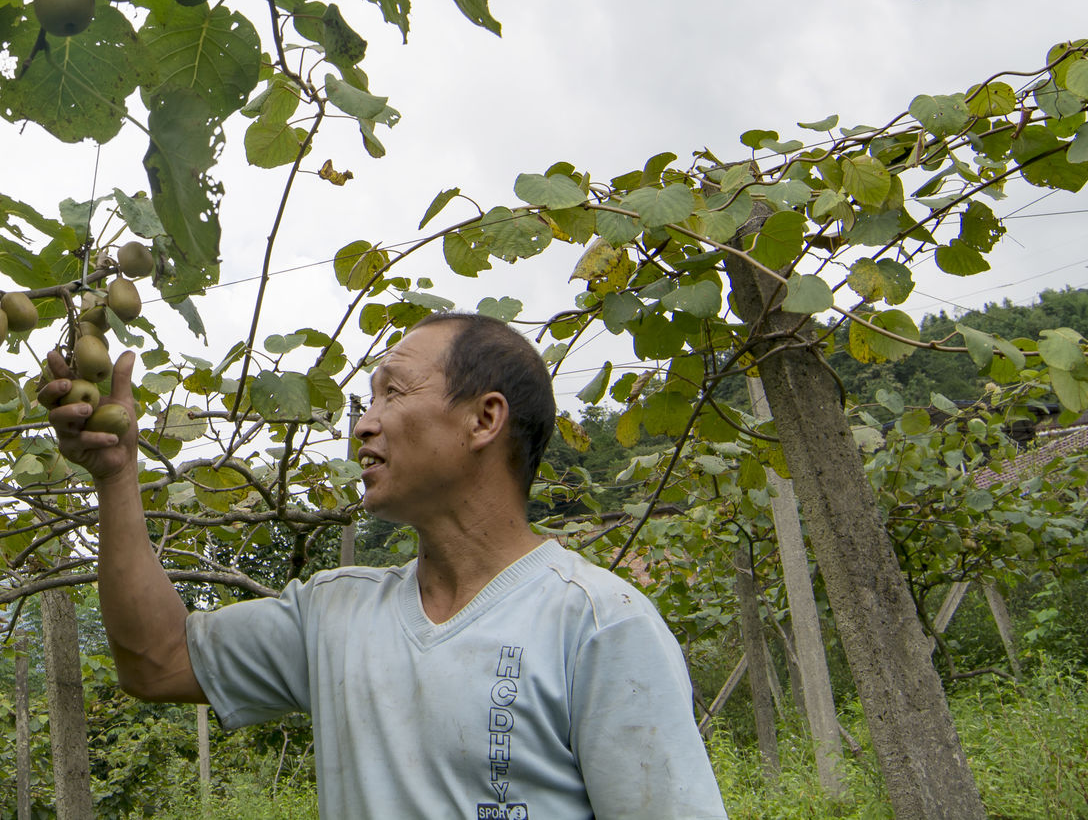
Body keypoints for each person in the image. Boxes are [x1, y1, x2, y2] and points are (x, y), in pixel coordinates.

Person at [42, 312, 728, 819]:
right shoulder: (334, 613)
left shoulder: (599, 623)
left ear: (484, 419)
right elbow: (153, 659)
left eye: (393, 393)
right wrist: (116, 473)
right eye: (368, 400)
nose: (364, 423)